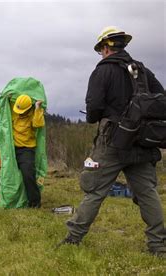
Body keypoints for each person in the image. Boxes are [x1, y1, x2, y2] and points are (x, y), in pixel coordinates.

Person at [60, 26, 166, 257]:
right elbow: (161, 99)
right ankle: (158, 246)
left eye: (101, 50)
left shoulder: (102, 71)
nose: (101, 54)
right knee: (147, 193)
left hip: (113, 142)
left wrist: (97, 116)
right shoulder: (143, 70)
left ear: (106, 47)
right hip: (143, 141)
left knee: (95, 190)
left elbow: (94, 109)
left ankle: (73, 239)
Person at [10, 94, 45, 208]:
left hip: (27, 150)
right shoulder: (13, 111)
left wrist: (38, 108)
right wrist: (5, 99)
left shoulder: (33, 114)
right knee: (9, 174)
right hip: (12, 148)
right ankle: (11, 199)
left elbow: (38, 124)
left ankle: (34, 202)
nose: (20, 112)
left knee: (28, 174)